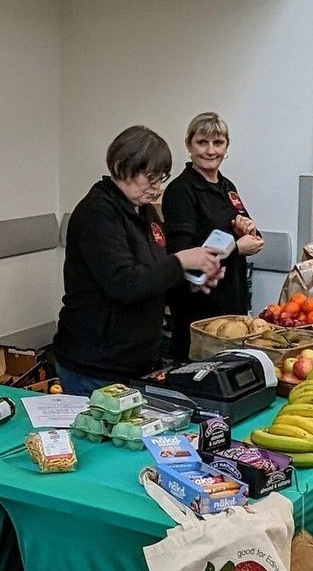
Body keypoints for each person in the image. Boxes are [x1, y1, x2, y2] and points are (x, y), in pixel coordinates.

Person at [52, 125, 225, 395]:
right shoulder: (97, 213)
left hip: (137, 363)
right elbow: (126, 284)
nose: (157, 188)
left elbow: (152, 275)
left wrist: (191, 280)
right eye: (150, 178)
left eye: (161, 178)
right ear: (122, 167)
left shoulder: (144, 213)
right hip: (94, 367)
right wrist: (180, 261)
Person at [162, 112, 265, 361]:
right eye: (202, 142)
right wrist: (236, 248)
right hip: (198, 307)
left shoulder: (226, 187)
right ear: (189, 144)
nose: (210, 151)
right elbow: (183, 254)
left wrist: (248, 229)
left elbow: (251, 235)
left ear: (226, 145)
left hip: (232, 299)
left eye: (217, 143)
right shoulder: (181, 191)